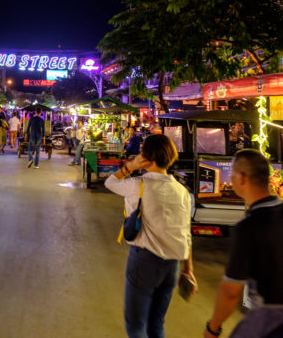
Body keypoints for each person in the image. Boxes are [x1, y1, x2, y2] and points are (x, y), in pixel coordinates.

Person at [105, 134, 196, 338]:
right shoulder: (182, 192)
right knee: (156, 325)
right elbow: (186, 232)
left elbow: (110, 182)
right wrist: (188, 269)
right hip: (172, 266)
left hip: (144, 262)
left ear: (147, 156)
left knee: (136, 326)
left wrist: (131, 166)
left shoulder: (138, 184)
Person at [204, 149, 283, 338]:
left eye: (231, 174)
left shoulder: (247, 228)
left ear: (241, 178)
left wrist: (213, 328)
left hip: (272, 320)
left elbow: (230, 291)